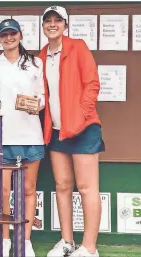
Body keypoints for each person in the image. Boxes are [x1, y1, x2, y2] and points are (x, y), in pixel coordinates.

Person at [39, 6, 105, 257]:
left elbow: (92, 84)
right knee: (62, 185)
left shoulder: (78, 46)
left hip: (84, 129)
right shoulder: (42, 56)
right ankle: (67, 241)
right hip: (57, 132)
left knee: (87, 188)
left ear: (65, 25)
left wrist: (81, 115)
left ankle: (89, 247)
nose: (53, 24)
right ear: (43, 26)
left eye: (58, 20)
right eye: (48, 21)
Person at [0, 19, 45, 257]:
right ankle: (5, 238)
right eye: (4, 35)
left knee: (28, 190)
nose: (8, 38)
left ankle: (25, 239)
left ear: (20, 35)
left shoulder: (34, 63)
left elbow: (42, 97)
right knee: (3, 191)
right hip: (0, 136)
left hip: (30, 134)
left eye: (12, 33)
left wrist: (34, 105)